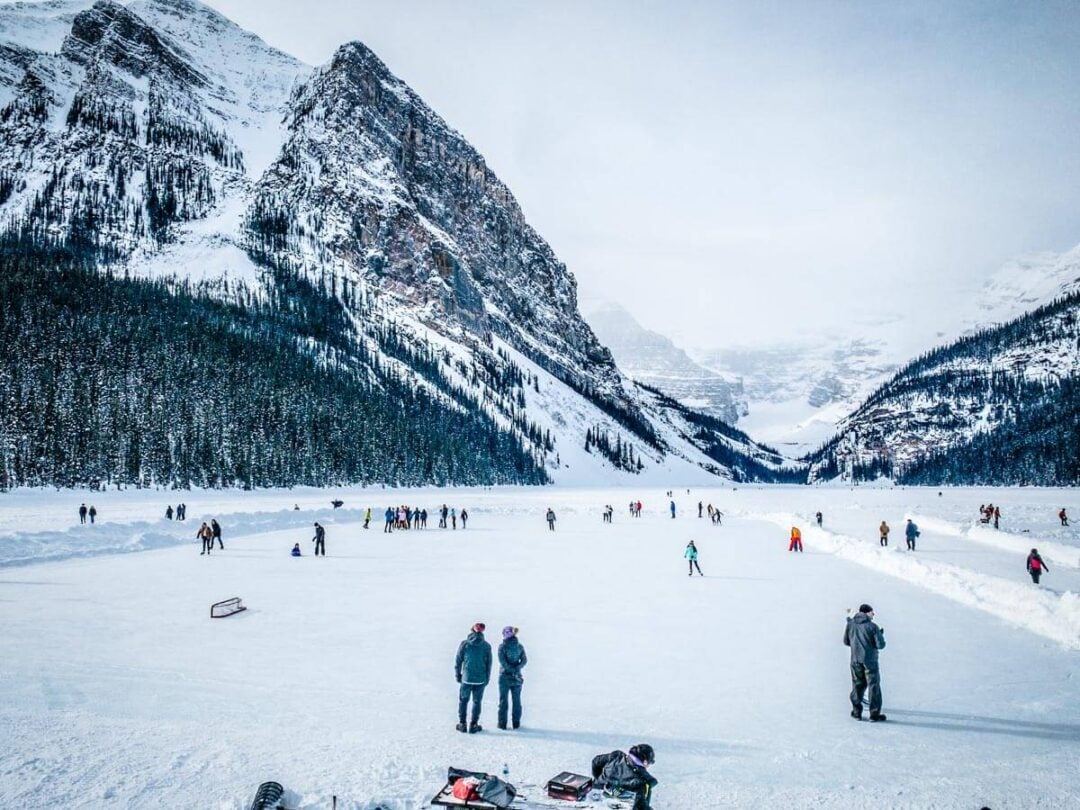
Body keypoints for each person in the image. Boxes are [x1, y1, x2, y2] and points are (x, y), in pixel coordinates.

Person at [844, 604, 886, 722]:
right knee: (873, 686)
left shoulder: (850, 624)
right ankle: (874, 714)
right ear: (867, 613)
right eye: (872, 612)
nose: (873, 615)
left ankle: (857, 712)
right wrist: (880, 636)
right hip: (870, 661)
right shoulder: (872, 627)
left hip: (855, 660)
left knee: (857, 685)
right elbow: (880, 645)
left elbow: (846, 641)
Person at [591, 745, 658, 810]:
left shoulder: (616, 757)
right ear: (645, 762)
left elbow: (596, 761)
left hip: (592, 797)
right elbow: (641, 807)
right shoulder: (642, 781)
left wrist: (598, 778)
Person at [455, 622, 492, 733]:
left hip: (466, 678)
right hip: (480, 679)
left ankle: (462, 723)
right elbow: (489, 664)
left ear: (472, 630)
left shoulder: (465, 644)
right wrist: (487, 678)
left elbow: (458, 660)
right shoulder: (486, 646)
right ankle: (473, 725)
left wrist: (458, 674)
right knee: (477, 702)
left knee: (463, 700)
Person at [497, 626, 527, 730]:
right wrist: (517, 668)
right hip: (517, 677)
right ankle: (516, 723)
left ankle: (502, 724)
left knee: (503, 701)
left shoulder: (502, 647)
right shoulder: (520, 646)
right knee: (517, 701)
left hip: (504, 677)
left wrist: (510, 669)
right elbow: (524, 661)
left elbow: (502, 662)